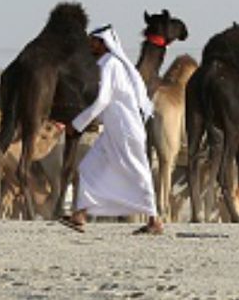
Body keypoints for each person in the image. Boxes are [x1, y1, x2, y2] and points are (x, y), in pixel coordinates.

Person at [59, 24, 164, 235]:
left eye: (94, 41)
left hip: (125, 131)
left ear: (103, 43)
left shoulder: (110, 65)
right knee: (88, 167)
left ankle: (155, 220)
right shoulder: (109, 64)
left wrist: (77, 124)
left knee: (138, 172)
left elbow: (102, 101)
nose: (90, 45)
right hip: (114, 131)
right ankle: (80, 215)